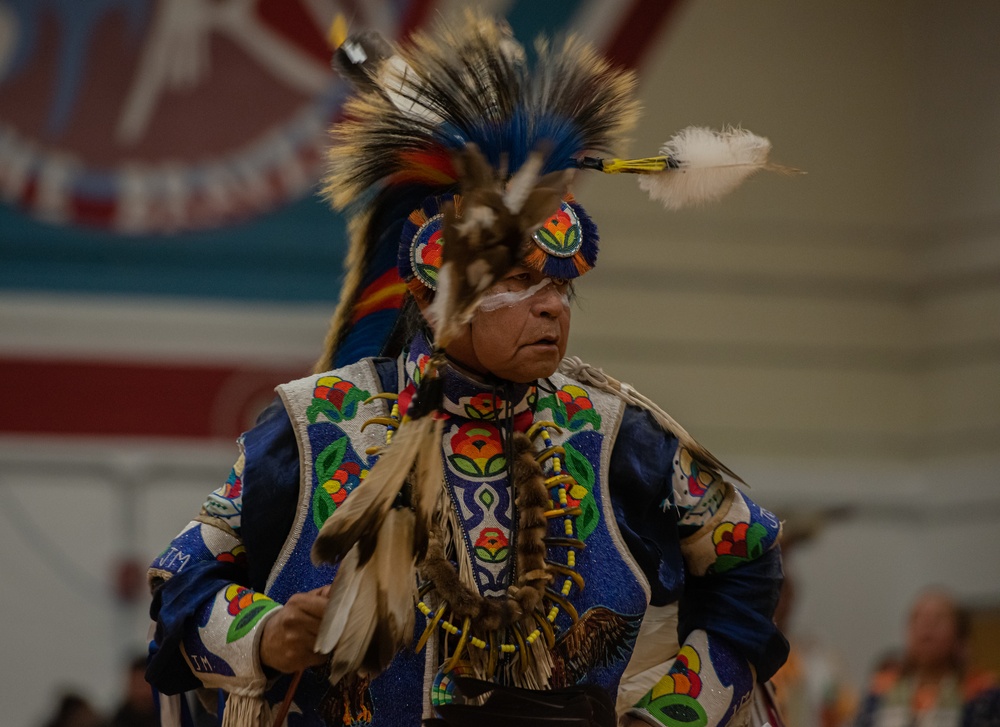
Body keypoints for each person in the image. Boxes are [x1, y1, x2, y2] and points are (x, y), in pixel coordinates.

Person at [145, 15, 788, 727]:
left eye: (563, 287)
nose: (552, 309)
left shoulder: (619, 439)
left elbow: (747, 563)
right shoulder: (315, 427)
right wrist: (269, 633)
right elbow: (183, 581)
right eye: (518, 281)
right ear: (436, 292)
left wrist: (668, 715)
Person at [855, 589, 1000, 727]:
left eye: (938, 619)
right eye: (917, 617)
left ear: (959, 635)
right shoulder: (880, 691)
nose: (927, 625)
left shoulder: (982, 694)